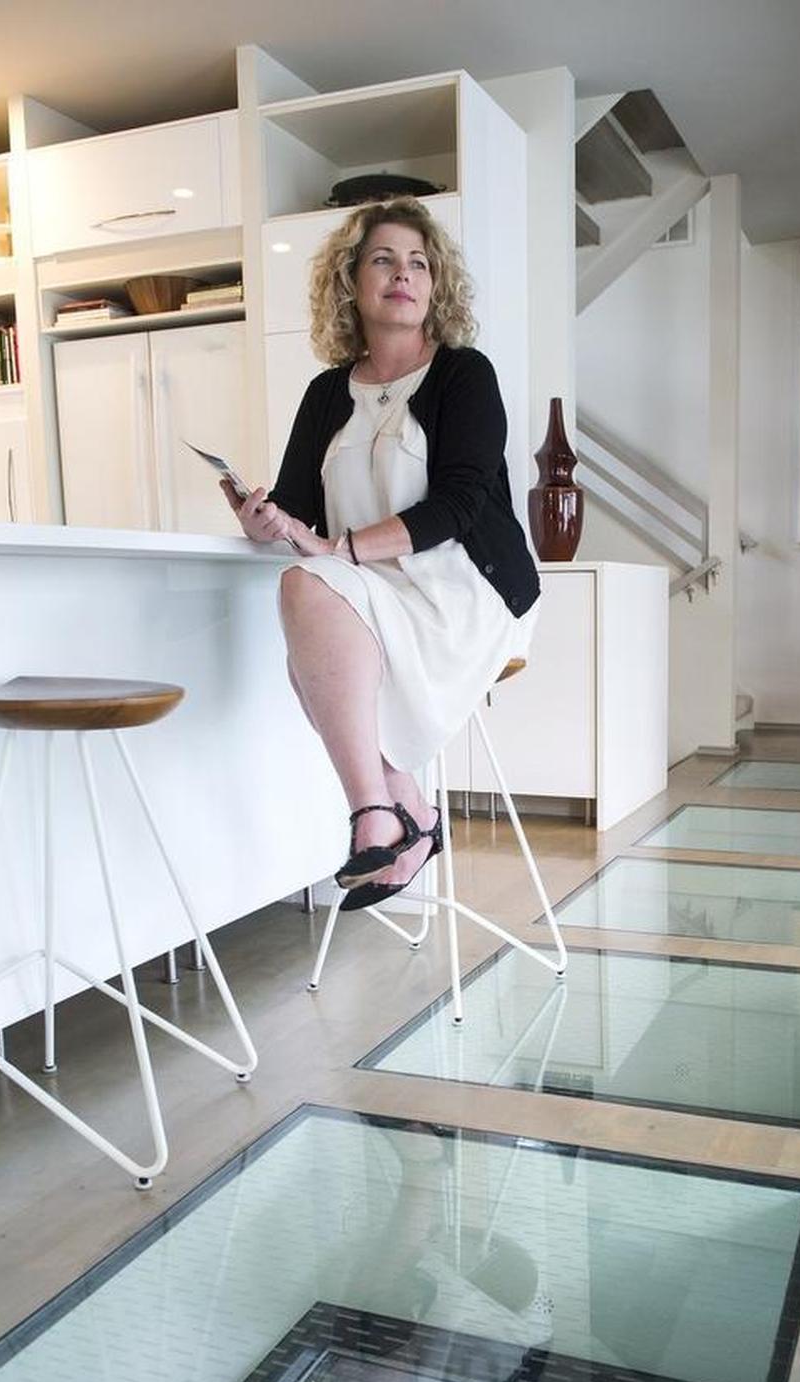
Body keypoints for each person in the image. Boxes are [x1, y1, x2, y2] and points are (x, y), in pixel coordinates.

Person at [225, 197, 540, 911]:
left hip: (466, 589)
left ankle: (386, 816)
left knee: (310, 621)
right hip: (375, 584)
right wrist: (265, 521)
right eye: (384, 260)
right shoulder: (325, 392)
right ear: (351, 282)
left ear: (436, 286)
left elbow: (461, 505)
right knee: (305, 604)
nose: (404, 274)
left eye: (419, 262)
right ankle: (397, 812)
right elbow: (303, 510)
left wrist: (339, 549)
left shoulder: (465, 375)